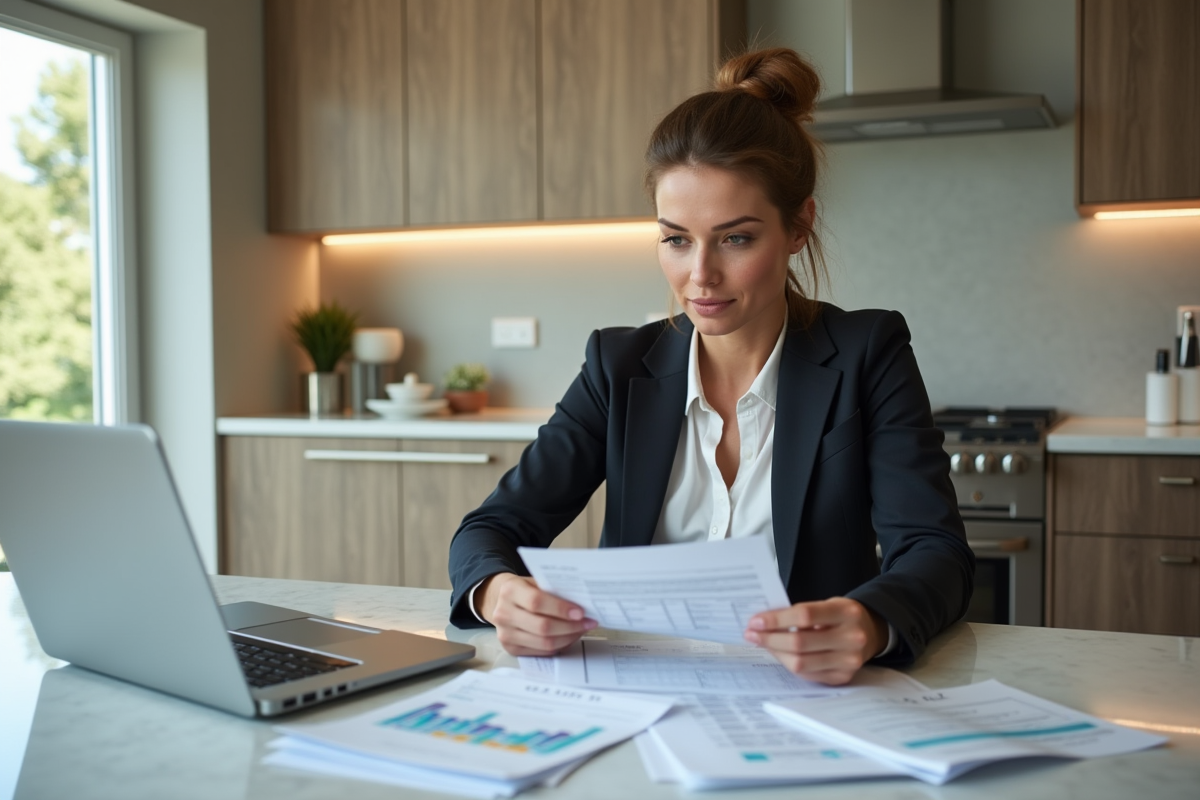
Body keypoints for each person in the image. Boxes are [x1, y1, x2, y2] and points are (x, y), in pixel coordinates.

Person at [447, 47, 973, 686]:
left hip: (808, 702)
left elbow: (936, 554)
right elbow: (491, 530)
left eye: (736, 238)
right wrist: (499, 594)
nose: (699, 277)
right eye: (676, 239)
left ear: (799, 225)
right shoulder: (618, 365)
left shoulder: (868, 352)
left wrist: (868, 621)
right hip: (634, 696)